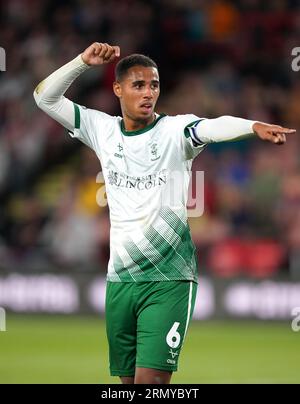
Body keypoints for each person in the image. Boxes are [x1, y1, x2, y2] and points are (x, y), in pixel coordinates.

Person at [33, 42, 296, 384]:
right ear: (117, 89)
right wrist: (82, 62)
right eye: (138, 85)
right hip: (120, 281)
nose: (148, 93)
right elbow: (44, 97)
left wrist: (252, 125)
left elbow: (212, 127)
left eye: (154, 85)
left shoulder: (175, 132)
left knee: (151, 384)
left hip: (169, 279)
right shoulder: (102, 130)